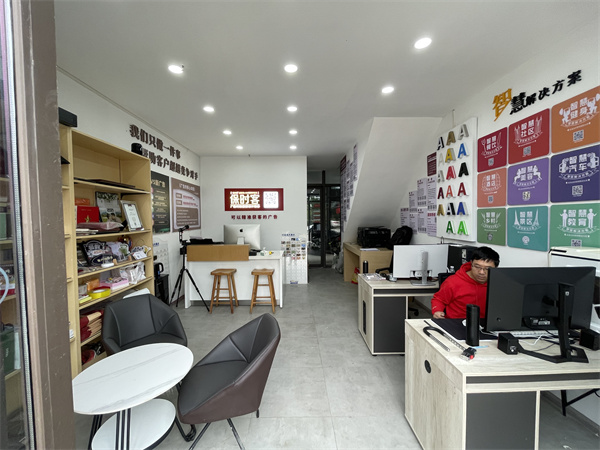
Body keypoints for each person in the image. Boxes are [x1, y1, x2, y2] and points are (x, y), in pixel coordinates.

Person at [431, 246, 500, 319]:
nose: (481, 272)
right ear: (471, 263)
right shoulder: (453, 282)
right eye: (477, 267)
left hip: (486, 323)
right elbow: (439, 300)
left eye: (487, 269)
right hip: (457, 322)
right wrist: (437, 311)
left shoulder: (498, 283)